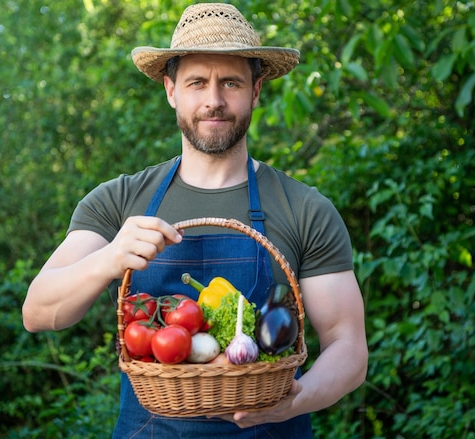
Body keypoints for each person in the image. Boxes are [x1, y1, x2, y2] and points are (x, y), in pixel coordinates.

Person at [22, 3, 368, 438]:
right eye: (197, 82)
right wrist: (109, 260)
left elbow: (348, 347)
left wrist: (293, 401)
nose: (214, 100)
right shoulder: (119, 201)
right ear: (171, 90)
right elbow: (38, 313)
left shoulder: (305, 209)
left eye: (231, 83)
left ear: (256, 90)